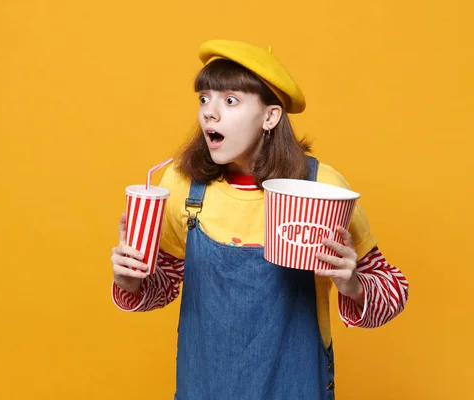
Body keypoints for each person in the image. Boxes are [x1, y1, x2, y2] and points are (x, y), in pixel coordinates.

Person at [110, 39, 409, 399]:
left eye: (230, 100)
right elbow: (167, 283)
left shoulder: (321, 189)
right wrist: (132, 281)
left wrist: (354, 284)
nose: (209, 112)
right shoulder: (183, 185)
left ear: (270, 116)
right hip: (204, 386)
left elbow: (392, 289)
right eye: (204, 98)